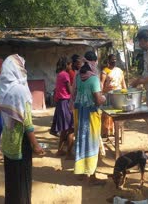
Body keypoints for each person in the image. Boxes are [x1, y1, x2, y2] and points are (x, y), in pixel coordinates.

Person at [0, 54, 44, 204]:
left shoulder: (4, 87)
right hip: (20, 141)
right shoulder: (20, 89)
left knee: (11, 177)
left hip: (7, 141)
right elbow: (27, 123)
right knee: (22, 176)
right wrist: (36, 144)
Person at [73, 51, 106, 185]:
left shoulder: (79, 76)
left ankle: (81, 172)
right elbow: (98, 100)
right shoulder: (94, 78)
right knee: (92, 143)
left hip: (80, 113)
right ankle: (92, 176)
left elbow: (74, 93)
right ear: (94, 62)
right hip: (91, 115)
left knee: (81, 140)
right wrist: (104, 98)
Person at [50, 57, 74, 159]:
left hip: (60, 103)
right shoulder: (65, 75)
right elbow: (70, 91)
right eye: (70, 65)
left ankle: (60, 150)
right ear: (67, 65)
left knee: (64, 129)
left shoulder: (59, 75)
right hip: (66, 103)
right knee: (71, 129)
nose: (71, 66)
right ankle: (69, 153)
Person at [100, 54, 126, 137]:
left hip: (118, 96)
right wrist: (103, 91)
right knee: (108, 113)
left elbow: (123, 83)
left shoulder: (119, 70)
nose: (114, 61)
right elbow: (101, 83)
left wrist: (126, 93)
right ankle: (106, 132)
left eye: (115, 59)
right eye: (112, 59)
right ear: (108, 61)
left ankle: (116, 131)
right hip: (108, 95)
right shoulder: (105, 71)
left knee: (118, 113)